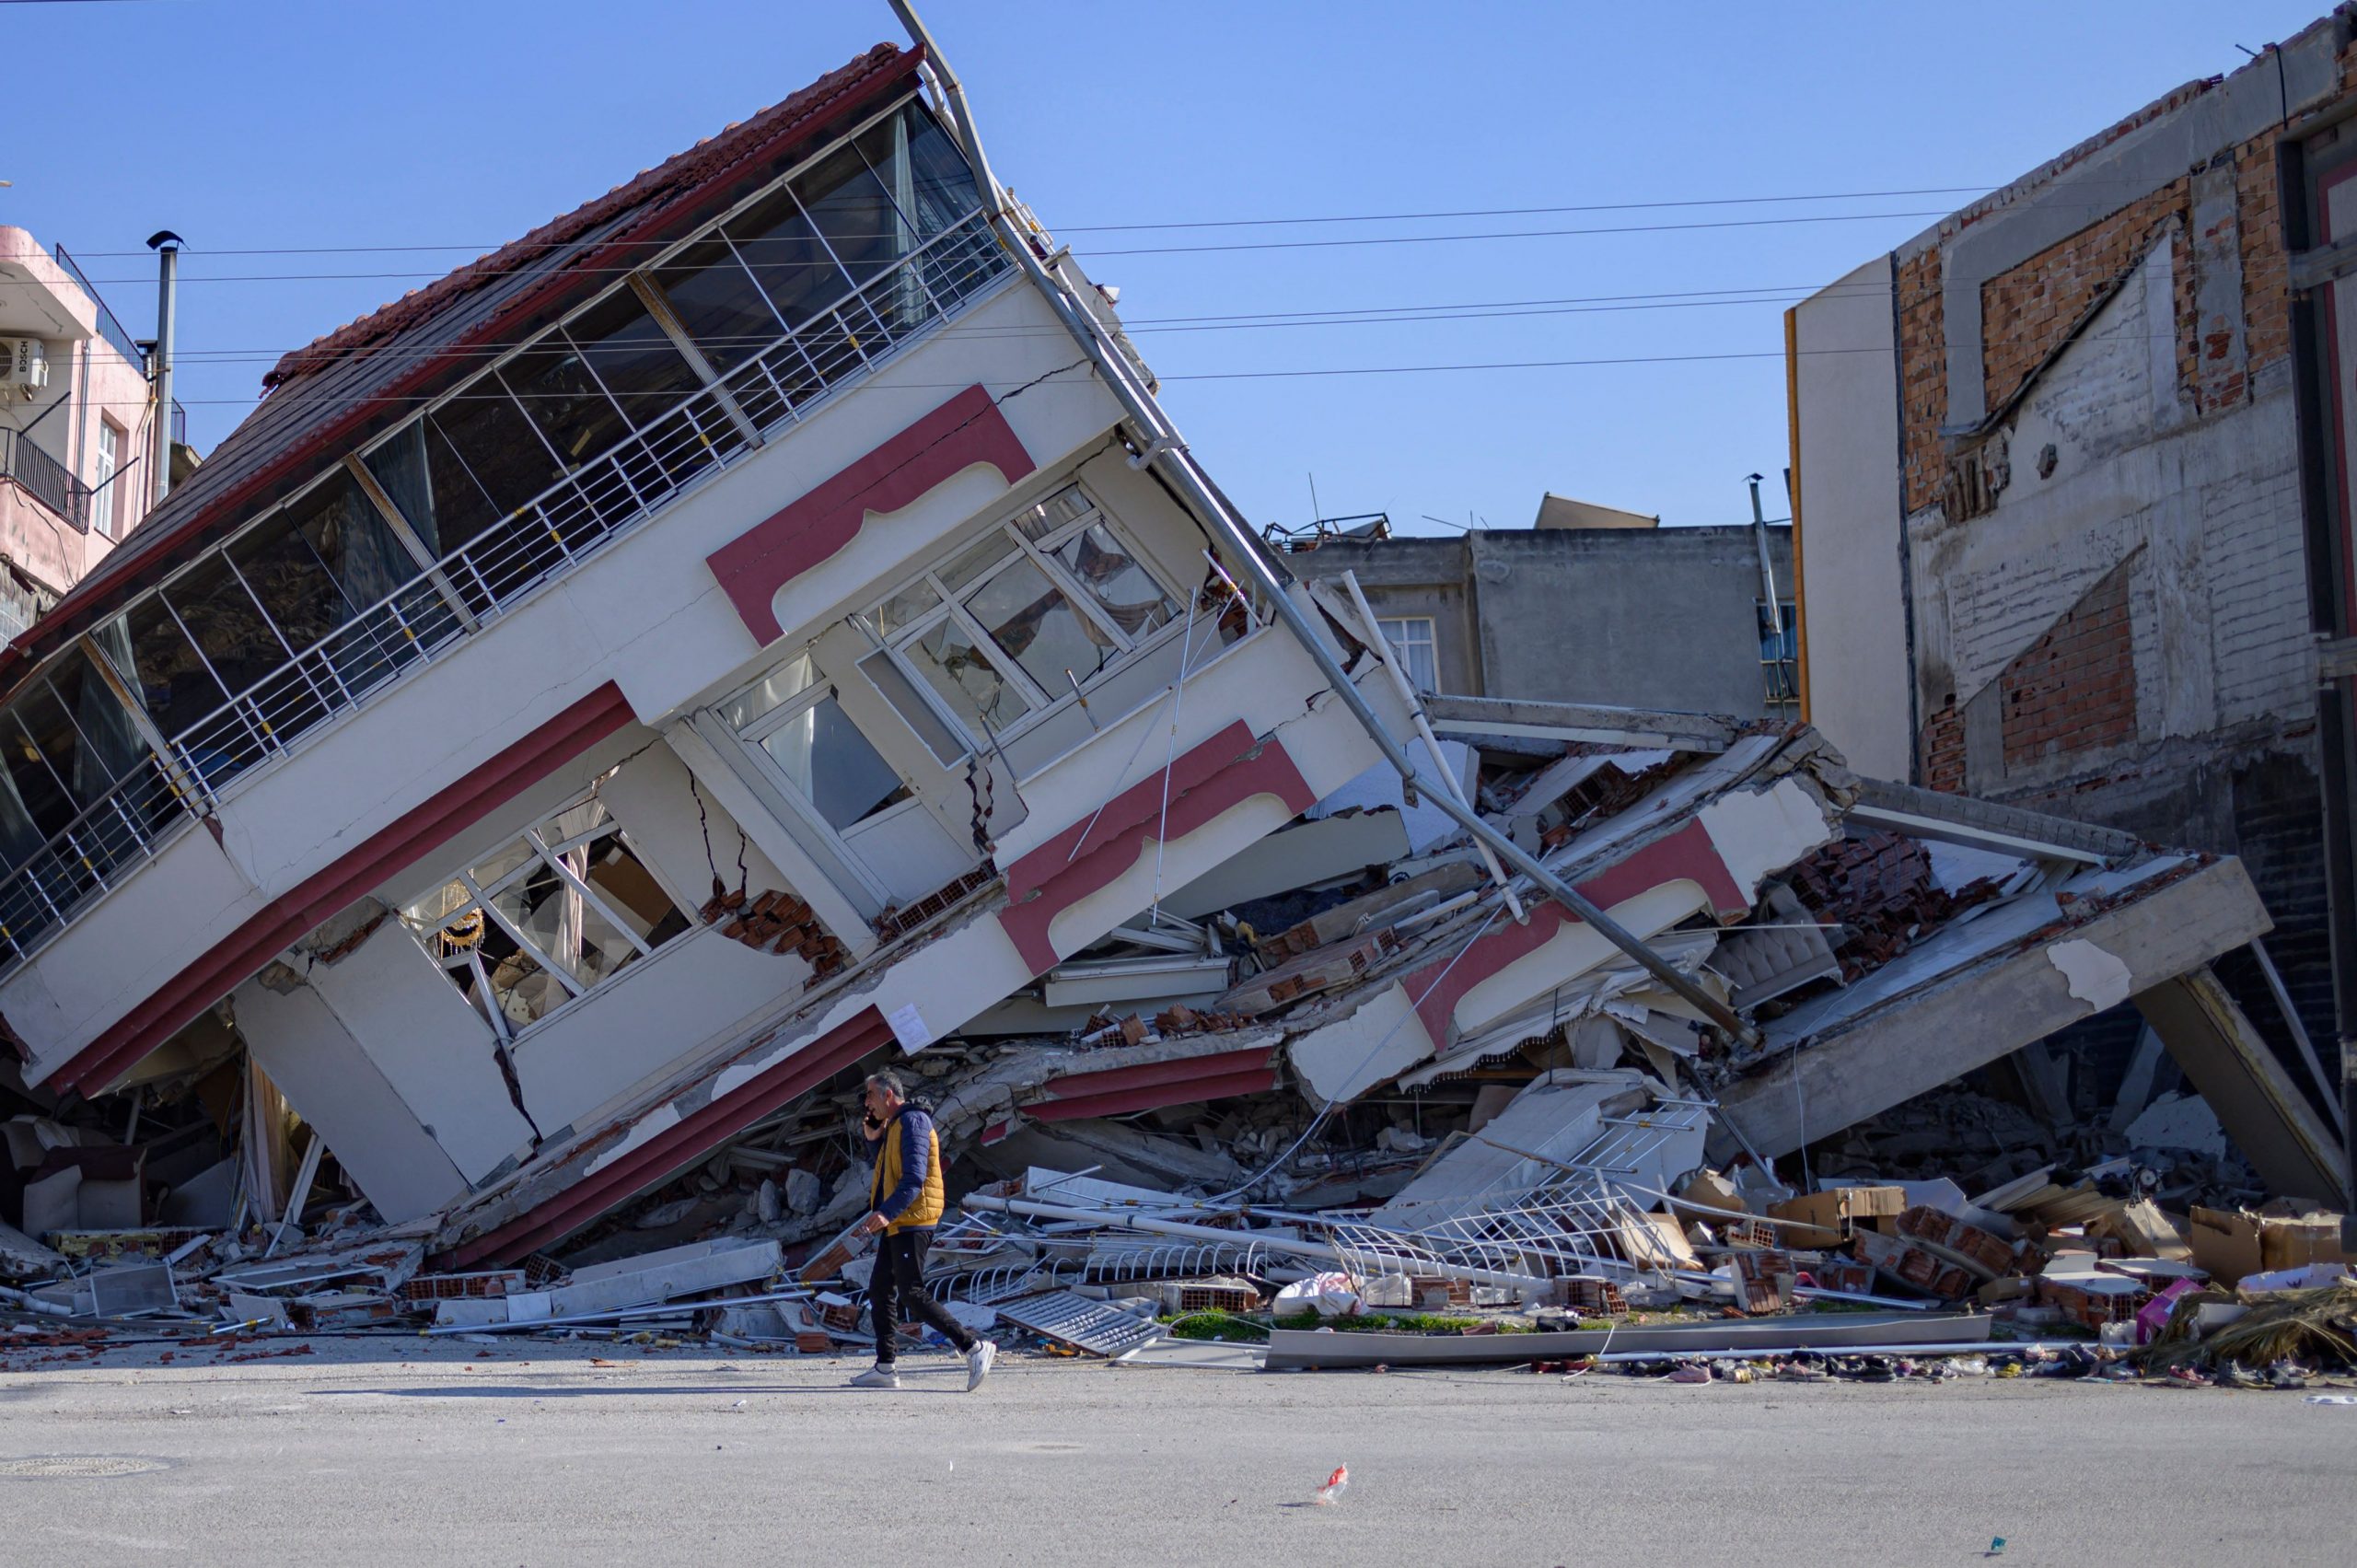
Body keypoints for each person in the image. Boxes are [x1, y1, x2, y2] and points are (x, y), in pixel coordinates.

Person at [848, 1069, 995, 1391]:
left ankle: (974, 1347)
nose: (867, 1104)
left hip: (913, 1219)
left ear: (888, 1095)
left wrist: (886, 1214)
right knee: (879, 1289)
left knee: (912, 1293)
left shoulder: (912, 1122)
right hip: (901, 1219)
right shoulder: (895, 1126)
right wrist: (874, 1141)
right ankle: (886, 1368)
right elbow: (888, 1172)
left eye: (870, 1096)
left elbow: (913, 1178)